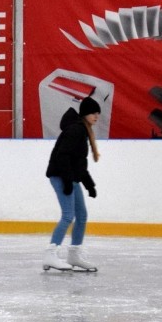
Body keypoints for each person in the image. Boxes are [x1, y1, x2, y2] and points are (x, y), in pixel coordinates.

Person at [43, 95, 101, 272]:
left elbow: (79, 164)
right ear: (84, 113)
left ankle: (74, 254)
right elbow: (63, 157)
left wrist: (89, 184)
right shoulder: (76, 130)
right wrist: (68, 181)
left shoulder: (83, 131)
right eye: (92, 113)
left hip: (70, 176)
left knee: (81, 215)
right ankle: (50, 254)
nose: (96, 116)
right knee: (68, 215)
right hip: (61, 176)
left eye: (97, 113)